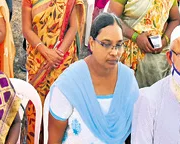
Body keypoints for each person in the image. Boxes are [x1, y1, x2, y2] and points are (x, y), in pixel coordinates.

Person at [22, 0, 84, 143]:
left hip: (62, 57)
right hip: (38, 56)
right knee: (37, 104)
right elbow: (26, 29)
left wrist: (58, 53)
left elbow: (74, 26)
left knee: (61, 101)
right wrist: (44, 51)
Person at [48, 13, 139, 144]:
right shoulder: (69, 84)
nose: (114, 52)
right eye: (106, 44)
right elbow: (54, 140)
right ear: (91, 43)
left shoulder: (128, 80)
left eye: (119, 45)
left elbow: (133, 132)